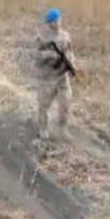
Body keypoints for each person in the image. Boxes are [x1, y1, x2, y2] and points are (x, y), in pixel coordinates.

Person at [35, 8, 79, 140]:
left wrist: (73, 66)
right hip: (48, 78)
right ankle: (43, 127)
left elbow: (69, 52)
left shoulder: (65, 36)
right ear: (49, 23)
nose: (57, 23)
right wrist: (49, 56)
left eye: (58, 20)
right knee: (44, 105)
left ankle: (62, 127)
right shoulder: (42, 38)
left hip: (62, 77)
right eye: (53, 22)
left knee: (65, 103)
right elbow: (37, 56)